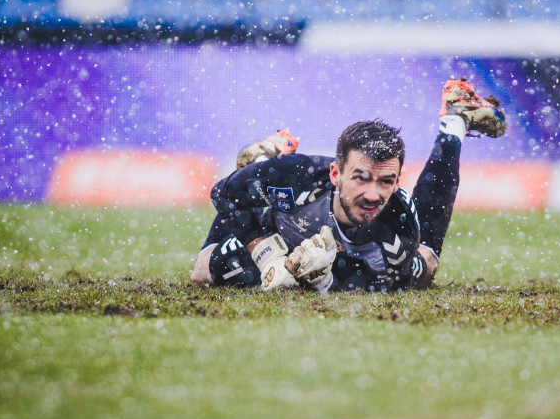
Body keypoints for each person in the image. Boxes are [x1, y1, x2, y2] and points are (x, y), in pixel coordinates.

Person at [190, 78, 506, 293]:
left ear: (397, 182)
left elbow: (370, 284)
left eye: (386, 181)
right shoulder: (298, 175)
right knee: (204, 271)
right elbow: (223, 194)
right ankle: (262, 166)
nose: (372, 194)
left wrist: (322, 279)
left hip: (364, 246)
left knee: (425, 266)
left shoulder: (397, 229)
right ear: (334, 175)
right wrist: (267, 255)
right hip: (275, 220)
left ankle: (454, 121)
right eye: (360, 178)